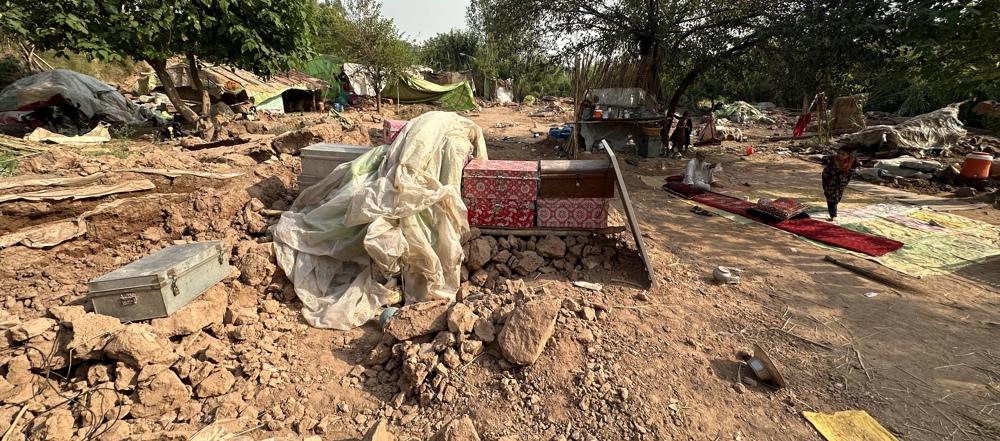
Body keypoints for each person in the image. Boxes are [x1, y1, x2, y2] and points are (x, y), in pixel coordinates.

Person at [821, 146, 860, 221]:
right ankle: (833, 215)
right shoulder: (833, 159)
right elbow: (824, 161)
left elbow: (853, 170)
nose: (840, 156)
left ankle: (833, 212)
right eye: (839, 153)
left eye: (843, 154)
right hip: (830, 180)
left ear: (848, 155)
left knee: (836, 197)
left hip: (842, 182)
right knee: (831, 197)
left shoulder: (852, 161)